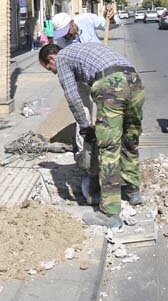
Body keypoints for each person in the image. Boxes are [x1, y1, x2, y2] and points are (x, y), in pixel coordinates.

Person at [39, 43, 144, 229]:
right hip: (134, 80)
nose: (53, 72)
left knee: (109, 149)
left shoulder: (62, 58)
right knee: (130, 141)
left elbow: (72, 97)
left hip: (111, 85)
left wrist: (85, 126)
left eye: (49, 68)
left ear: (51, 58)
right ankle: (132, 191)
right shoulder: (81, 49)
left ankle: (110, 213)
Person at [52, 8, 117, 48]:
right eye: (62, 34)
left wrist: (111, 20)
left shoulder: (86, 19)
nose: (65, 36)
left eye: (66, 31)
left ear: (72, 23)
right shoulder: (61, 41)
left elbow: (107, 25)